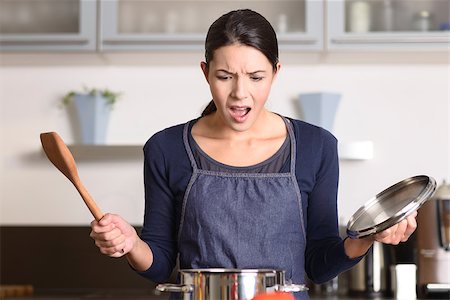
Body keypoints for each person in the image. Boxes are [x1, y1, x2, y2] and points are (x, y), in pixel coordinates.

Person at [90, 9, 417, 299]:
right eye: (224, 76)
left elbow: (318, 265)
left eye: (256, 77)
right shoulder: (166, 148)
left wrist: (367, 237)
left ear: (276, 72)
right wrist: (132, 244)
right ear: (205, 73)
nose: (239, 93)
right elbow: (160, 264)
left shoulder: (315, 147)